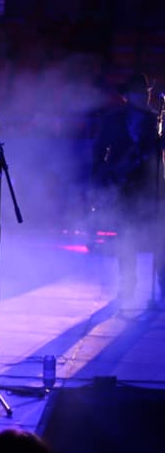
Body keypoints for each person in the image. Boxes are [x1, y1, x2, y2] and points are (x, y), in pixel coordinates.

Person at [86, 71, 163, 308]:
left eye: (145, 93)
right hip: (123, 186)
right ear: (127, 96)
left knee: (159, 236)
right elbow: (100, 150)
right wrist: (101, 176)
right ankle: (127, 285)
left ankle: (161, 284)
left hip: (149, 185)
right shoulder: (113, 119)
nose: (143, 97)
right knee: (126, 238)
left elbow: (156, 154)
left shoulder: (155, 120)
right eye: (138, 93)